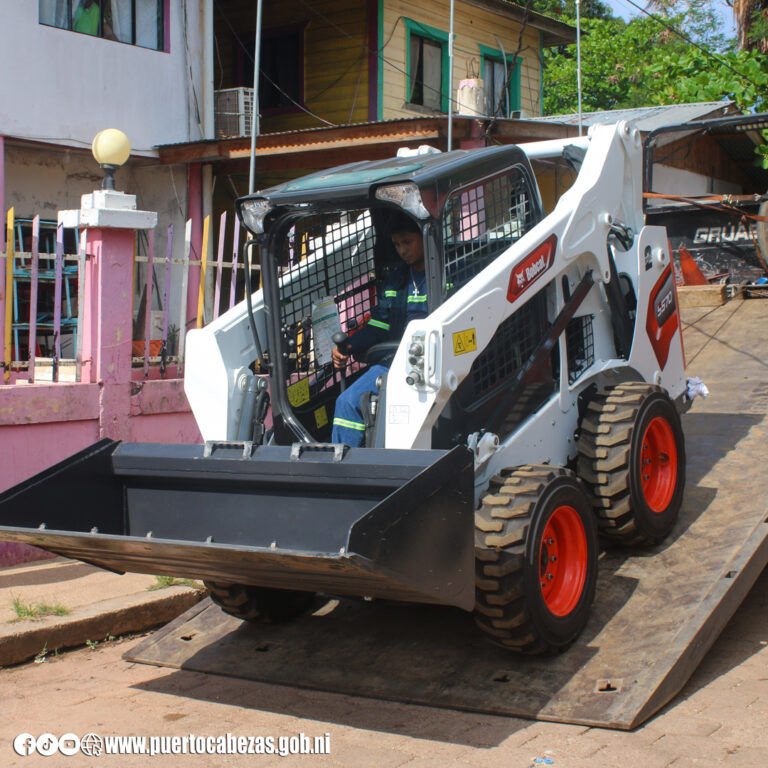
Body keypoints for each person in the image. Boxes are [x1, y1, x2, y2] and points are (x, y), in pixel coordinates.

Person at [331, 214, 428, 447]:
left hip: (431, 363)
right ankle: (345, 468)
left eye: (408, 242)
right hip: (393, 362)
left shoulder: (449, 273)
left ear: (425, 238)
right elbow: (379, 326)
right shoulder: (395, 279)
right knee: (347, 402)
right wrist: (348, 345)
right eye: (397, 244)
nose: (402, 250)